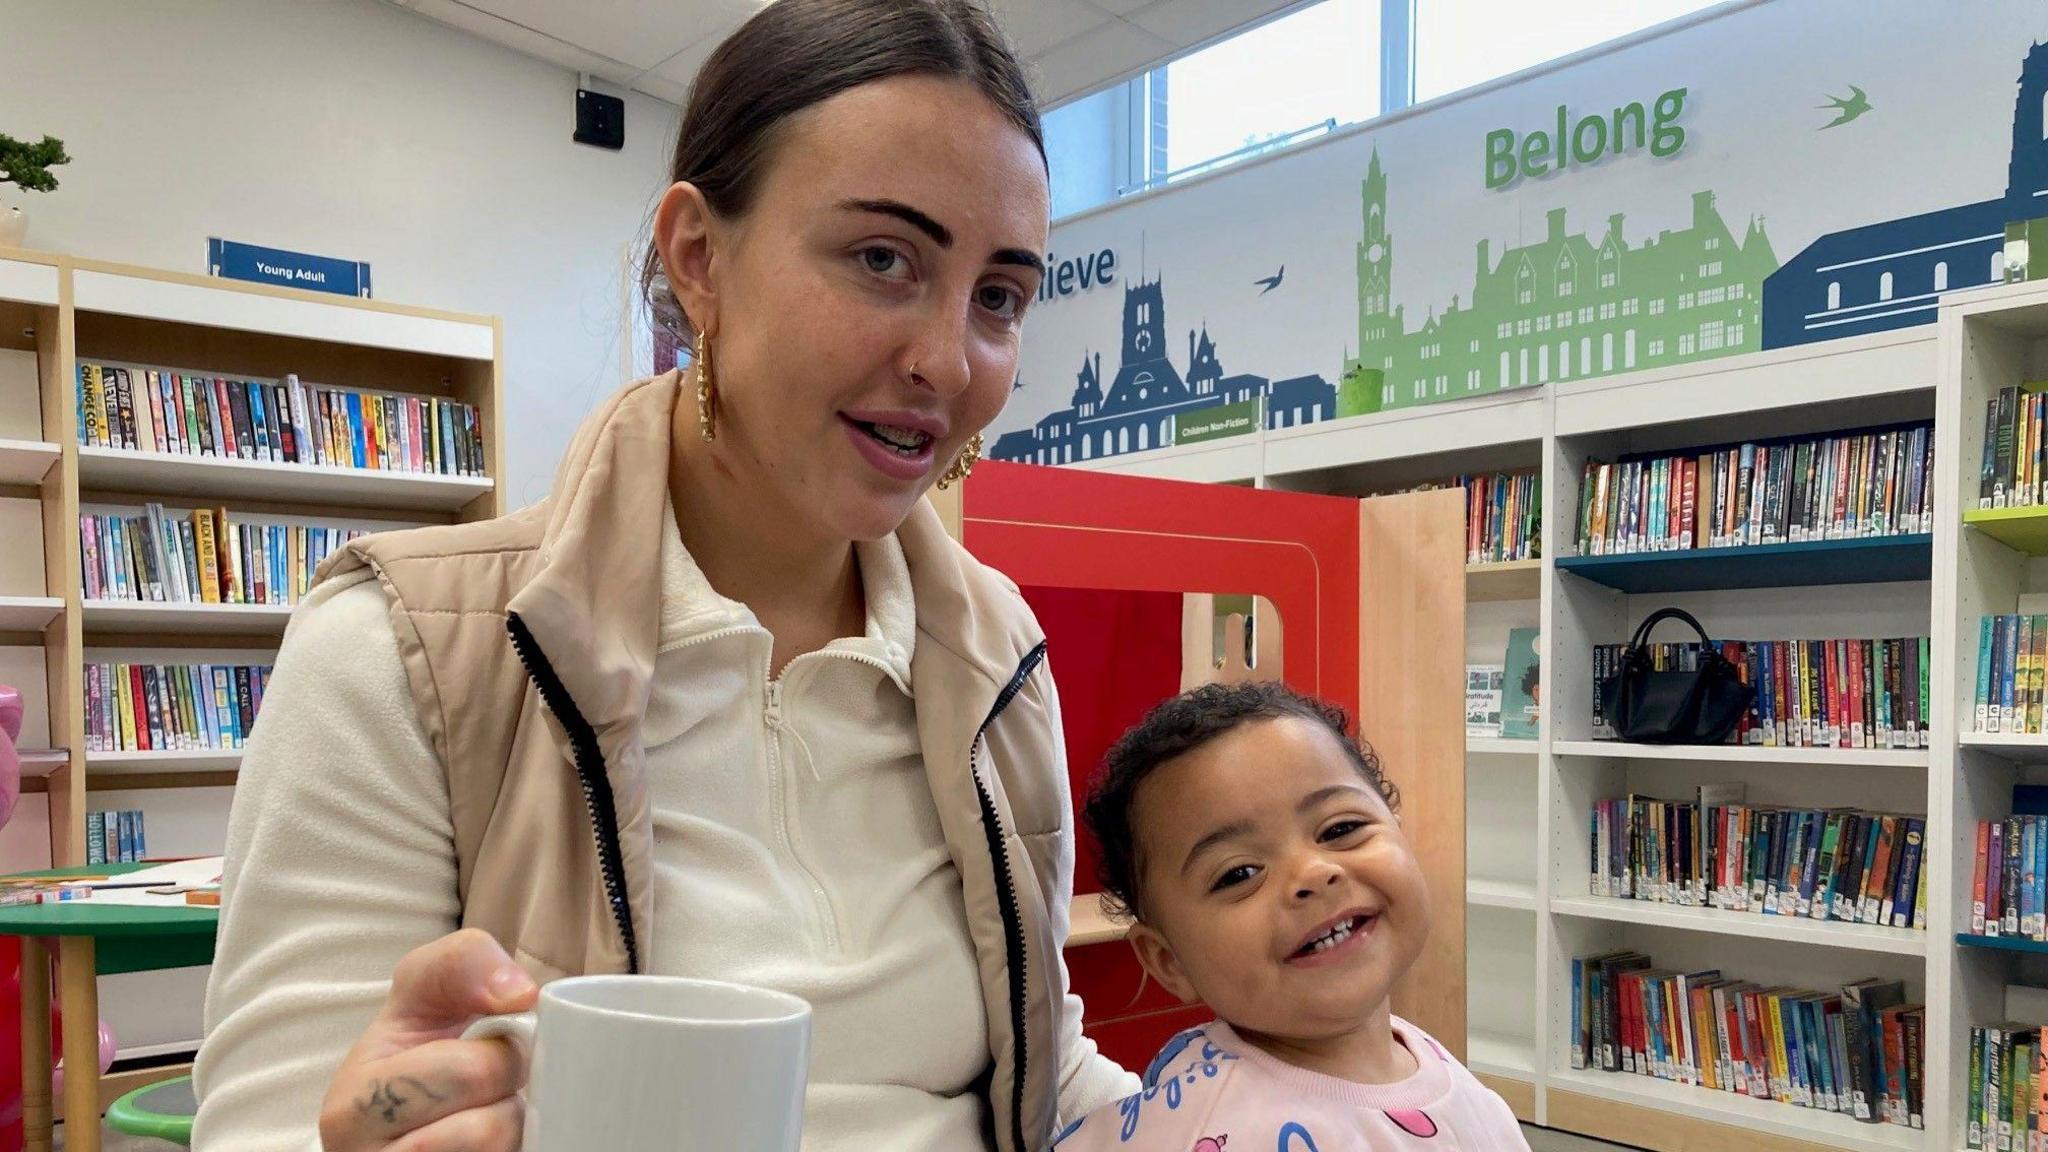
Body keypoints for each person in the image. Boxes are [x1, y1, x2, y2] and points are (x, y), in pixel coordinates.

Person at [190, 2, 1138, 1149]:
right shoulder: (402, 650)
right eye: (882, 259)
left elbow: (1044, 1065)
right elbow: (276, 1124)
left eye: (997, 296)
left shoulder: (997, 656)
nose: (945, 359)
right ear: (700, 258)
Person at [1057, 683, 1529, 1150]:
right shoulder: (1215, 1128)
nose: (1313, 872)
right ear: (1169, 961)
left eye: (1341, 828)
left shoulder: (1439, 1069)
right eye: (1239, 873)